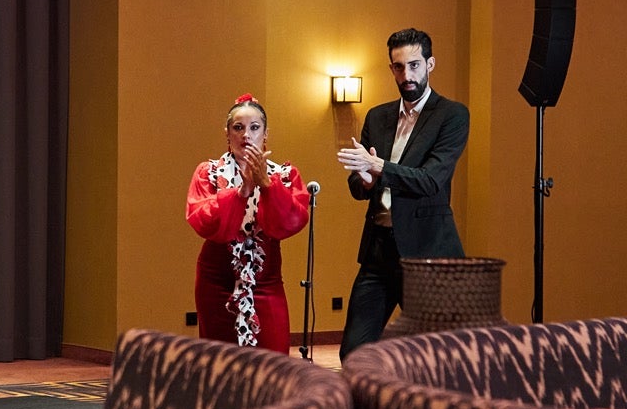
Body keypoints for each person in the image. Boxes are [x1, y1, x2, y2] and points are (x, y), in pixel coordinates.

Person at [336, 27, 469, 358]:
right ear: (391, 68)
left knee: (437, 357)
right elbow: (358, 184)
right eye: (398, 67)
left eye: (414, 65)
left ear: (430, 64)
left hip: (427, 253)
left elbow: (429, 180)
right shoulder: (377, 116)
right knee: (353, 353)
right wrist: (365, 179)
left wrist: (378, 166)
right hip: (379, 251)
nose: (406, 75)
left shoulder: (452, 115)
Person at [186, 93, 311, 353]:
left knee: (272, 362)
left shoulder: (284, 175)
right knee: (221, 363)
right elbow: (203, 221)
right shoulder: (209, 172)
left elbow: (290, 222)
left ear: (265, 134)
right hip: (216, 281)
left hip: (266, 283)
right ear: (227, 133)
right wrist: (241, 192)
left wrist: (266, 185)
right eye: (238, 128)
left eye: (254, 128)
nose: (246, 135)